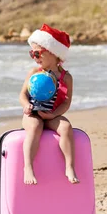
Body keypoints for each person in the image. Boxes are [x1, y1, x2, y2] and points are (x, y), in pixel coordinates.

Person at [19, 24, 79, 185]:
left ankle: (69, 166)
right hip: (33, 113)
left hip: (52, 114)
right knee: (35, 127)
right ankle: (28, 166)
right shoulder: (34, 73)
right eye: (32, 53)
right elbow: (23, 95)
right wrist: (26, 106)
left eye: (37, 53)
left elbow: (66, 102)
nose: (34, 57)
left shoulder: (66, 78)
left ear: (54, 53)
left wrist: (53, 115)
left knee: (66, 128)